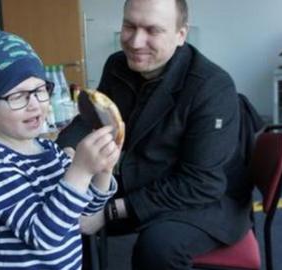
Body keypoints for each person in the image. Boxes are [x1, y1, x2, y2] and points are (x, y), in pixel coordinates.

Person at [57, 0, 254, 269]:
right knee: (63, 215)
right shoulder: (118, 65)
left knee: (157, 247)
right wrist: (66, 150)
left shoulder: (211, 87)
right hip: (146, 176)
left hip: (208, 199)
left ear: (180, 34)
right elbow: (91, 119)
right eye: (130, 26)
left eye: (153, 30)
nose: (136, 42)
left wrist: (108, 212)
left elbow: (201, 183)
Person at [0, 30, 121, 270]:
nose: (35, 104)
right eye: (18, 96)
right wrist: (79, 170)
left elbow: (84, 211)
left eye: (40, 90)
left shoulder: (49, 149)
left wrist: (102, 170)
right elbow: (43, 237)